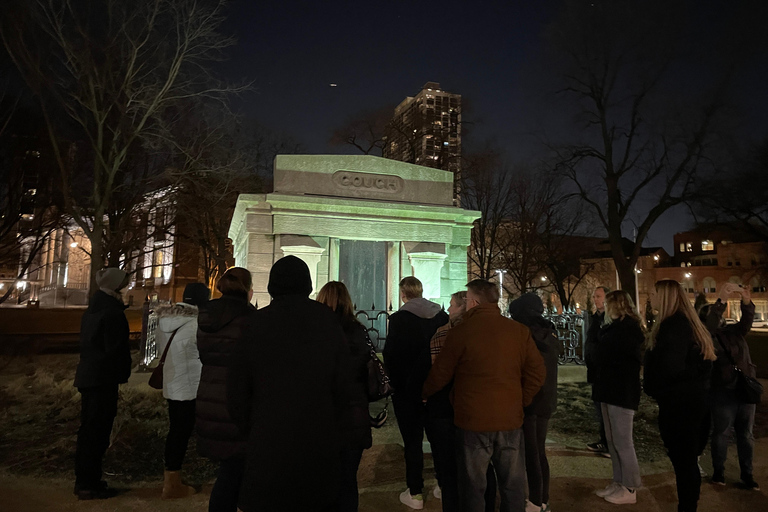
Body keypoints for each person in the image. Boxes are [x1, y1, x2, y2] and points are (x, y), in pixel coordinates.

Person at [227, 256, 349, 512]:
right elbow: (343, 386)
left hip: (267, 440)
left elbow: (237, 390)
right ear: (307, 285)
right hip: (318, 441)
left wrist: (252, 428)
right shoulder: (327, 322)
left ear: (273, 286)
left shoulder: (255, 324)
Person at [423, 279, 546, 512]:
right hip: (509, 418)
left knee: (473, 487)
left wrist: (425, 393)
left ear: (474, 301)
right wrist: (521, 399)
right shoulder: (518, 331)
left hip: (472, 420)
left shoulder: (461, 332)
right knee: (513, 485)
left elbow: (441, 373)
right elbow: (537, 372)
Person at [643, 280, 716, 512]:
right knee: (687, 462)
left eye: (653, 292)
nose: (650, 296)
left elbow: (669, 370)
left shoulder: (673, 326)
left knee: (684, 464)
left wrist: (653, 386)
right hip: (693, 404)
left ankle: (687, 507)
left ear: (665, 296)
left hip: (680, 407)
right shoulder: (687, 324)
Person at [383, 276, 448, 509]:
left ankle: (416, 492)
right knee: (438, 440)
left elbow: (392, 355)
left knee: (412, 442)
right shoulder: (441, 317)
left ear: (403, 293)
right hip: (436, 388)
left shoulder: (399, 319)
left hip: (408, 390)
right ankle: (442, 484)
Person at [195, 268, 255, 512]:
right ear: (248, 289)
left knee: (229, 469)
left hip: (209, 395)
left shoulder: (207, 315)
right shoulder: (249, 318)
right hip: (237, 399)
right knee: (235, 471)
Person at [73, 267, 132, 500]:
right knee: (97, 431)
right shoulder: (112, 312)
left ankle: (86, 479)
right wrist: (121, 371)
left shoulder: (95, 309)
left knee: (89, 430)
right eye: (124, 283)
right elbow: (114, 348)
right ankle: (89, 483)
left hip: (91, 376)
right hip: (103, 378)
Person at [317, 281, 373, 512]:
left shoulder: (315, 330)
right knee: (348, 479)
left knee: (321, 480)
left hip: (322, 416)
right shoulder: (358, 330)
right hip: (353, 414)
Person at [701, 283, 759, 490]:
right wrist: (721, 300)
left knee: (746, 435)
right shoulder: (708, 336)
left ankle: (748, 475)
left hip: (744, 389)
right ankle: (719, 473)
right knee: (722, 433)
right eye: (715, 314)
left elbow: (746, 322)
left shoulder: (734, 331)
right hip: (723, 391)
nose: (720, 316)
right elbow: (710, 327)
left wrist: (746, 299)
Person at [155, 282, 210, 499]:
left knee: (177, 432)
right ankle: (172, 485)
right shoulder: (196, 324)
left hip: (172, 384)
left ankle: (172, 478)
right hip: (191, 387)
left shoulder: (165, 321)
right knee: (183, 433)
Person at [592, 291, 644, 505]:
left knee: (623, 442)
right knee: (613, 441)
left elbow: (619, 358)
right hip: (608, 389)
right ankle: (618, 481)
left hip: (621, 392)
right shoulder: (612, 328)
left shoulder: (629, 330)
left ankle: (630, 487)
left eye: (608, 304)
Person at [508, 293, 559, 512]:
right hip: (546, 399)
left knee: (531, 452)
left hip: (530, 400)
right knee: (538, 451)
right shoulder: (549, 333)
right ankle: (542, 498)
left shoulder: (524, 335)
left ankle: (536, 501)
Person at [425, 290, 467, 512]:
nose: (448, 308)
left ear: (463, 306)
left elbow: (437, 371)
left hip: (444, 403)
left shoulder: (444, 333)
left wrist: (426, 393)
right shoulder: (483, 332)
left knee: (447, 459)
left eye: (452, 304)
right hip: (472, 404)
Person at [584, 286, 610, 456]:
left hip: (605, 372)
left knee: (607, 410)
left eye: (599, 296)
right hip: (595, 371)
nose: (595, 299)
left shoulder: (609, 320)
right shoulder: (595, 319)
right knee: (599, 410)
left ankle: (609, 443)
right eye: (594, 296)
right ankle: (604, 440)